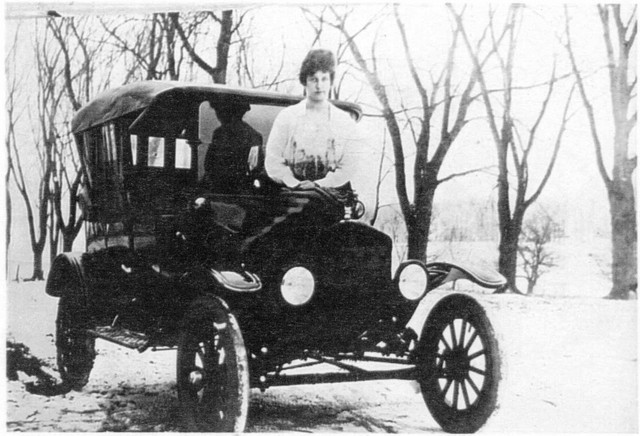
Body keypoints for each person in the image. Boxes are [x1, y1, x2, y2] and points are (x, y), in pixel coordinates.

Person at [265, 49, 359, 191]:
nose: (319, 85)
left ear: (331, 81)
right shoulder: (287, 117)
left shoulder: (344, 122)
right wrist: (292, 182)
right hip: (291, 196)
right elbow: (273, 159)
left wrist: (319, 184)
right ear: (305, 81)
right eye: (313, 79)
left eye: (324, 79)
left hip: (330, 198)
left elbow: (349, 165)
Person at [205, 101, 263, 194]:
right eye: (218, 111)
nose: (218, 115)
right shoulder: (219, 133)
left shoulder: (253, 136)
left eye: (222, 111)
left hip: (239, 194)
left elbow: (254, 169)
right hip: (217, 190)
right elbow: (209, 165)